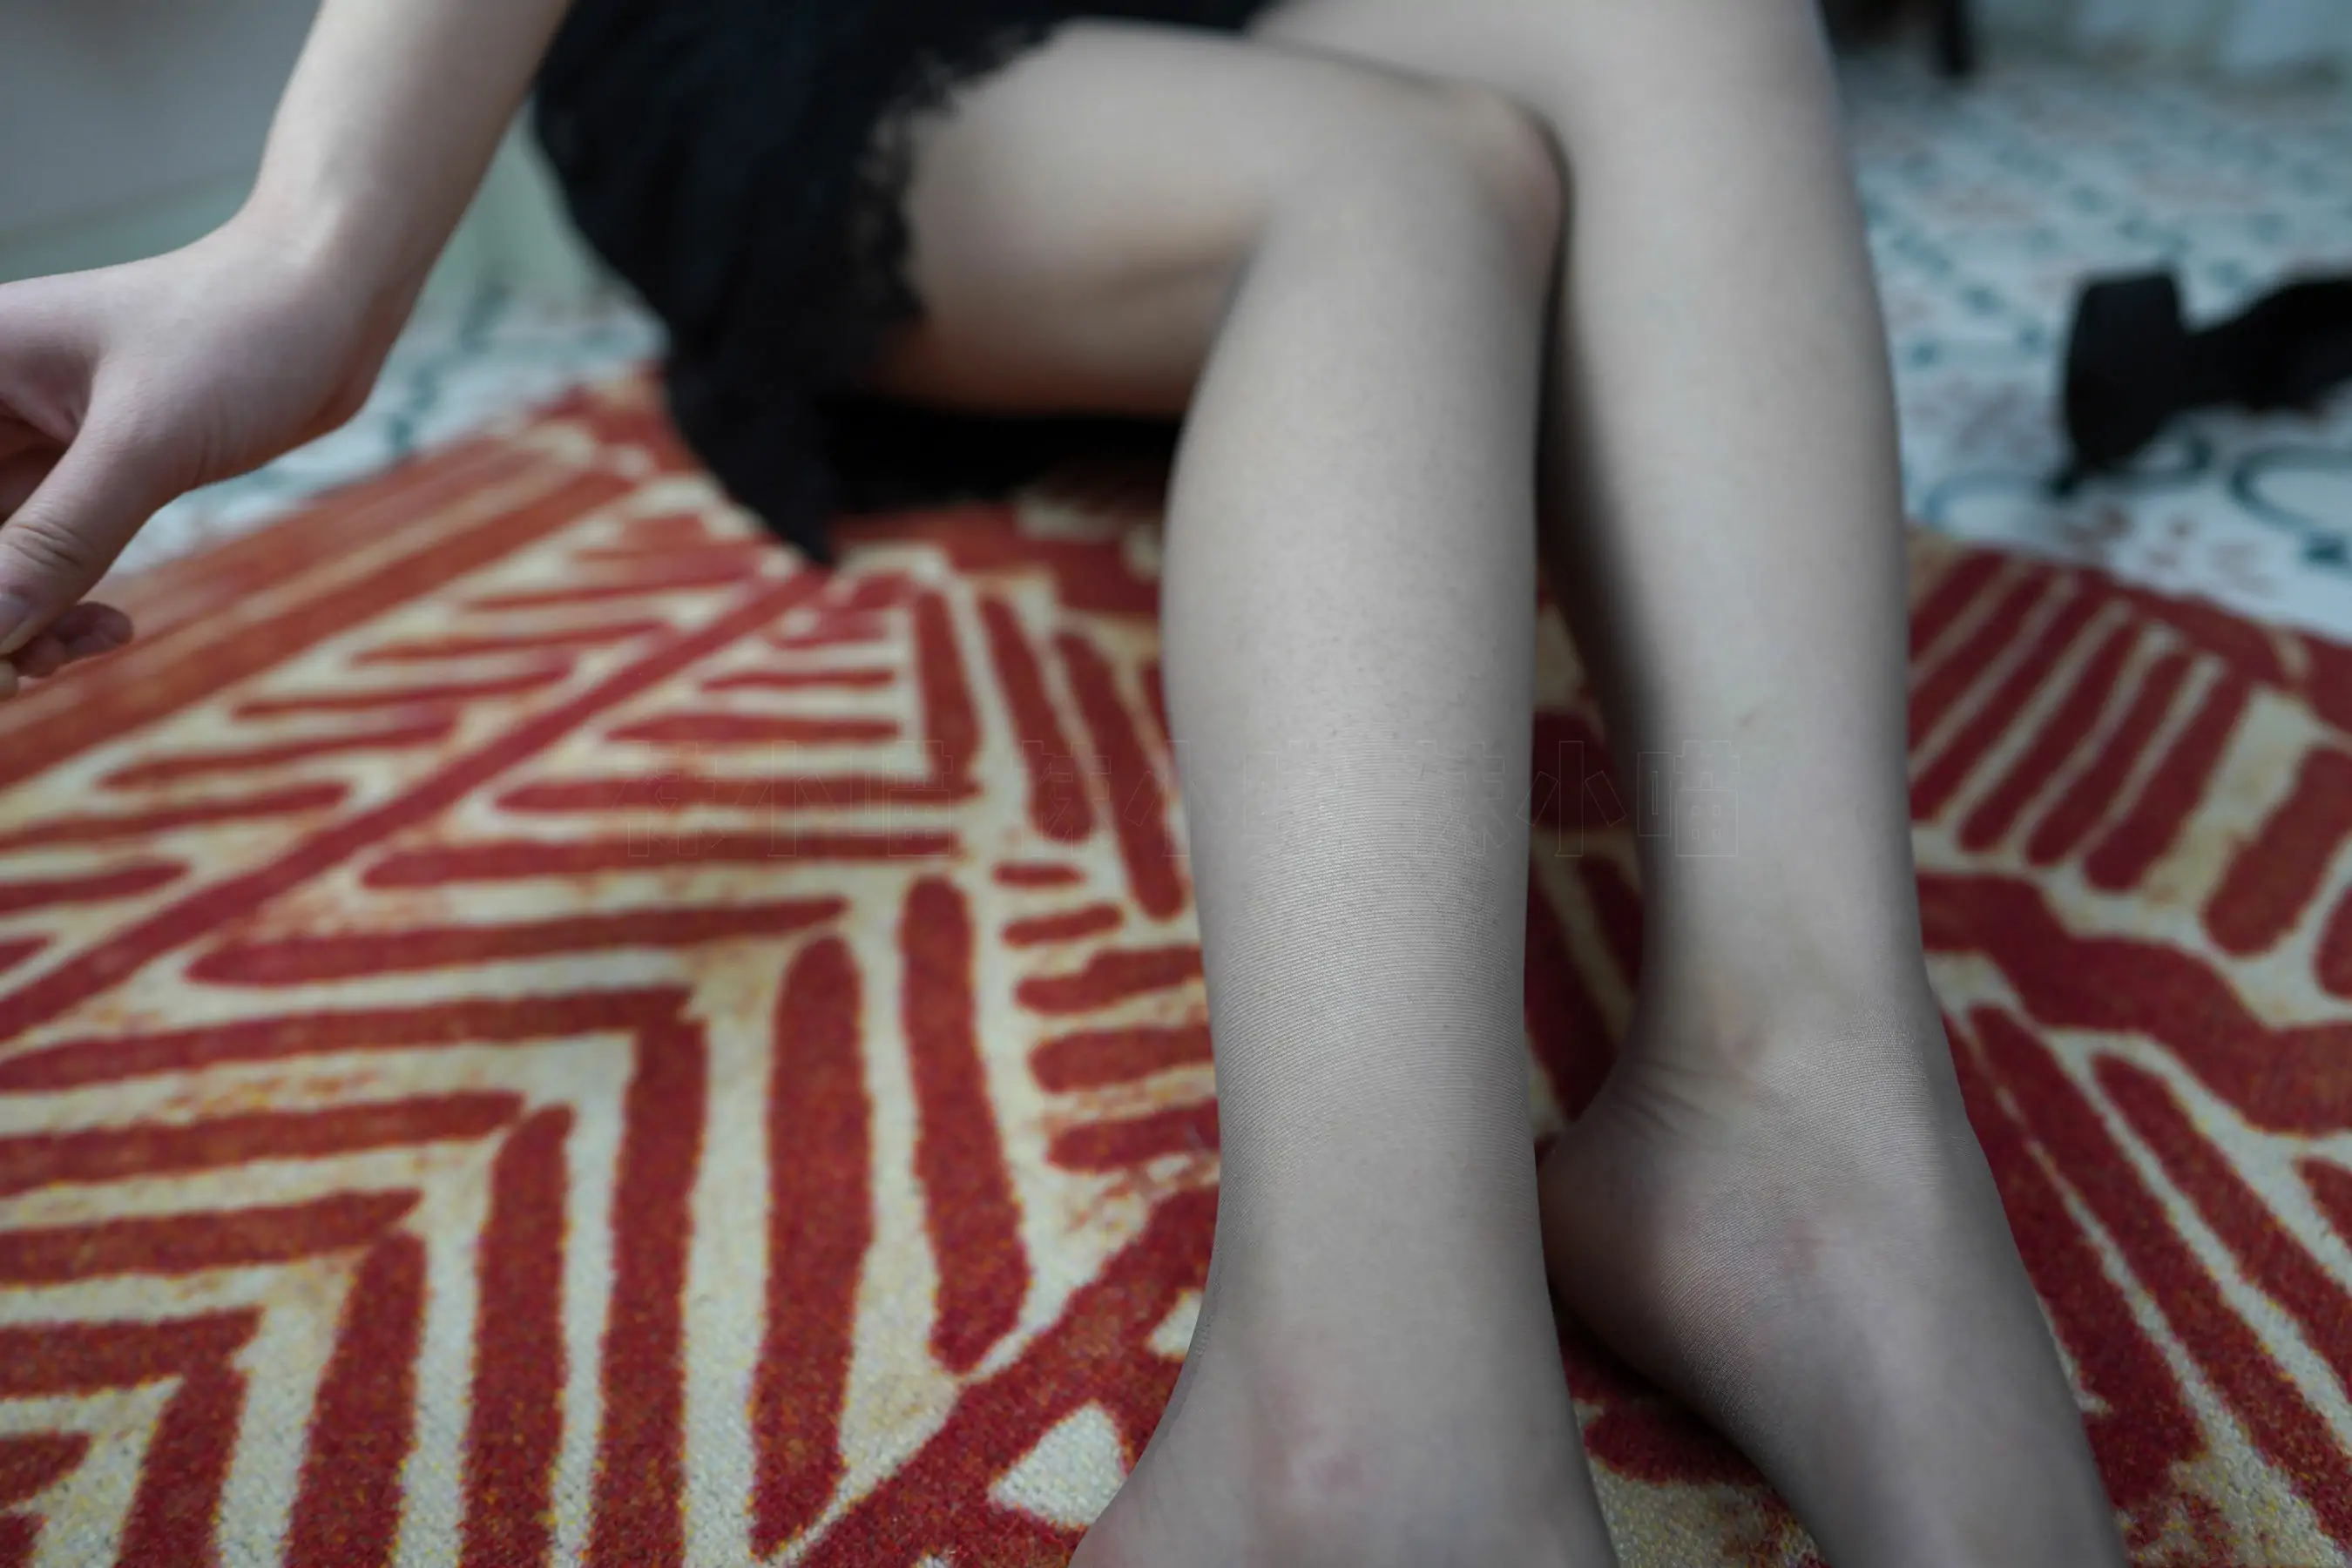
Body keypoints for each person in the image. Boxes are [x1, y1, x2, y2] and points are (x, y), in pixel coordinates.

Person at [0, 2, 2127, 1562]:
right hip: (819, 43)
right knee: (1404, 179)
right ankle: (1366, 1410)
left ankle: (1804, 1108)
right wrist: (321, 247)